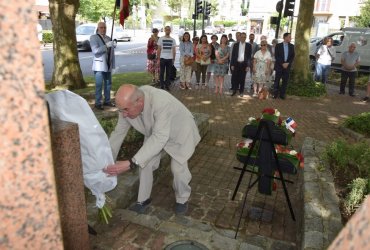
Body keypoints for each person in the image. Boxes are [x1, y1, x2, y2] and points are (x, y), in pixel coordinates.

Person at [105, 84, 201, 215]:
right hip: (156, 133)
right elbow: (118, 134)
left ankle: (182, 198)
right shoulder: (127, 107)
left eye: (126, 110)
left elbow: (160, 137)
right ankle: (143, 200)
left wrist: (131, 163)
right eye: (121, 110)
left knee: (178, 170)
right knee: (145, 163)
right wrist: (107, 159)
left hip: (179, 132)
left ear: (140, 101)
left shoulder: (161, 102)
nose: (124, 114)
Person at [90, 22, 116, 110]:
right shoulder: (94, 37)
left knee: (108, 84)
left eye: (104, 27)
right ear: (98, 28)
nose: (103, 29)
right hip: (99, 65)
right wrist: (106, 46)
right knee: (99, 84)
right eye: (101, 27)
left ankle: (107, 101)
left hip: (107, 64)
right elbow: (95, 51)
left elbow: (111, 53)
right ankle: (98, 103)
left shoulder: (109, 38)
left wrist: (113, 45)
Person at [273, 32, 295, 100]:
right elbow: (277, 56)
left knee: (285, 81)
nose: (290, 38)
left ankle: (282, 95)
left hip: (287, 67)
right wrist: (282, 63)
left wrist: (288, 63)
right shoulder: (278, 45)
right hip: (279, 66)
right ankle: (275, 94)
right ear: (285, 37)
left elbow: (292, 56)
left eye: (290, 37)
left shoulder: (292, 46)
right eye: (289, 37)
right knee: (277, 80)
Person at [230, 32, 252, 97]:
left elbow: (249, 57)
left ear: (246, 38)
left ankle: (241, 91)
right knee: (235, 78)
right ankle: (234, 90)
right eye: (242, 37)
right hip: (236, 64)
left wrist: (248, 65)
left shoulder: (249, 45)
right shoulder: (235, 45)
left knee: (242, 78)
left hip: (244, 64)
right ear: (239, 37)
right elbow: (233, 55)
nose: (243, 38)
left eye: (244, 37)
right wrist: (232, 64)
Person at [157, 26, 176, 91]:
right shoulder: (161, 39)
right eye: (166, 30)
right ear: (165, 30)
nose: (168, 31)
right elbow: (158, 49)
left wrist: (173, 59)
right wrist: (158, 59)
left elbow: (174, 50)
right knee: (161, 73)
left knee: (168, 73)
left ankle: (167, 85)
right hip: (162, 58)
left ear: (170, 31)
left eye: (169, 30)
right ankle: (162, 85)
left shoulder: (173, 40)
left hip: (170, 59)